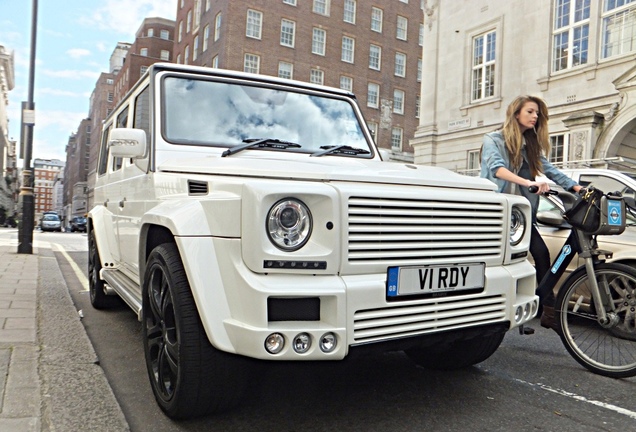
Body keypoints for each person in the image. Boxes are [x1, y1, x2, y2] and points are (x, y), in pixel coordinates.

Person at [480, 95, 583, 332]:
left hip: (520, 216)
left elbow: (551, 170)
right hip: (494, 212)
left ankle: (547, 310)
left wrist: (577, 188)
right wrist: (528, 183)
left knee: (542, 254)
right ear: (516, 113)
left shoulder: (530, 144)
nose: (535, 116)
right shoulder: (493, 139)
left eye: (537, 113)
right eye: (530, 111)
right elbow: (497, 169)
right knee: (496, 263)